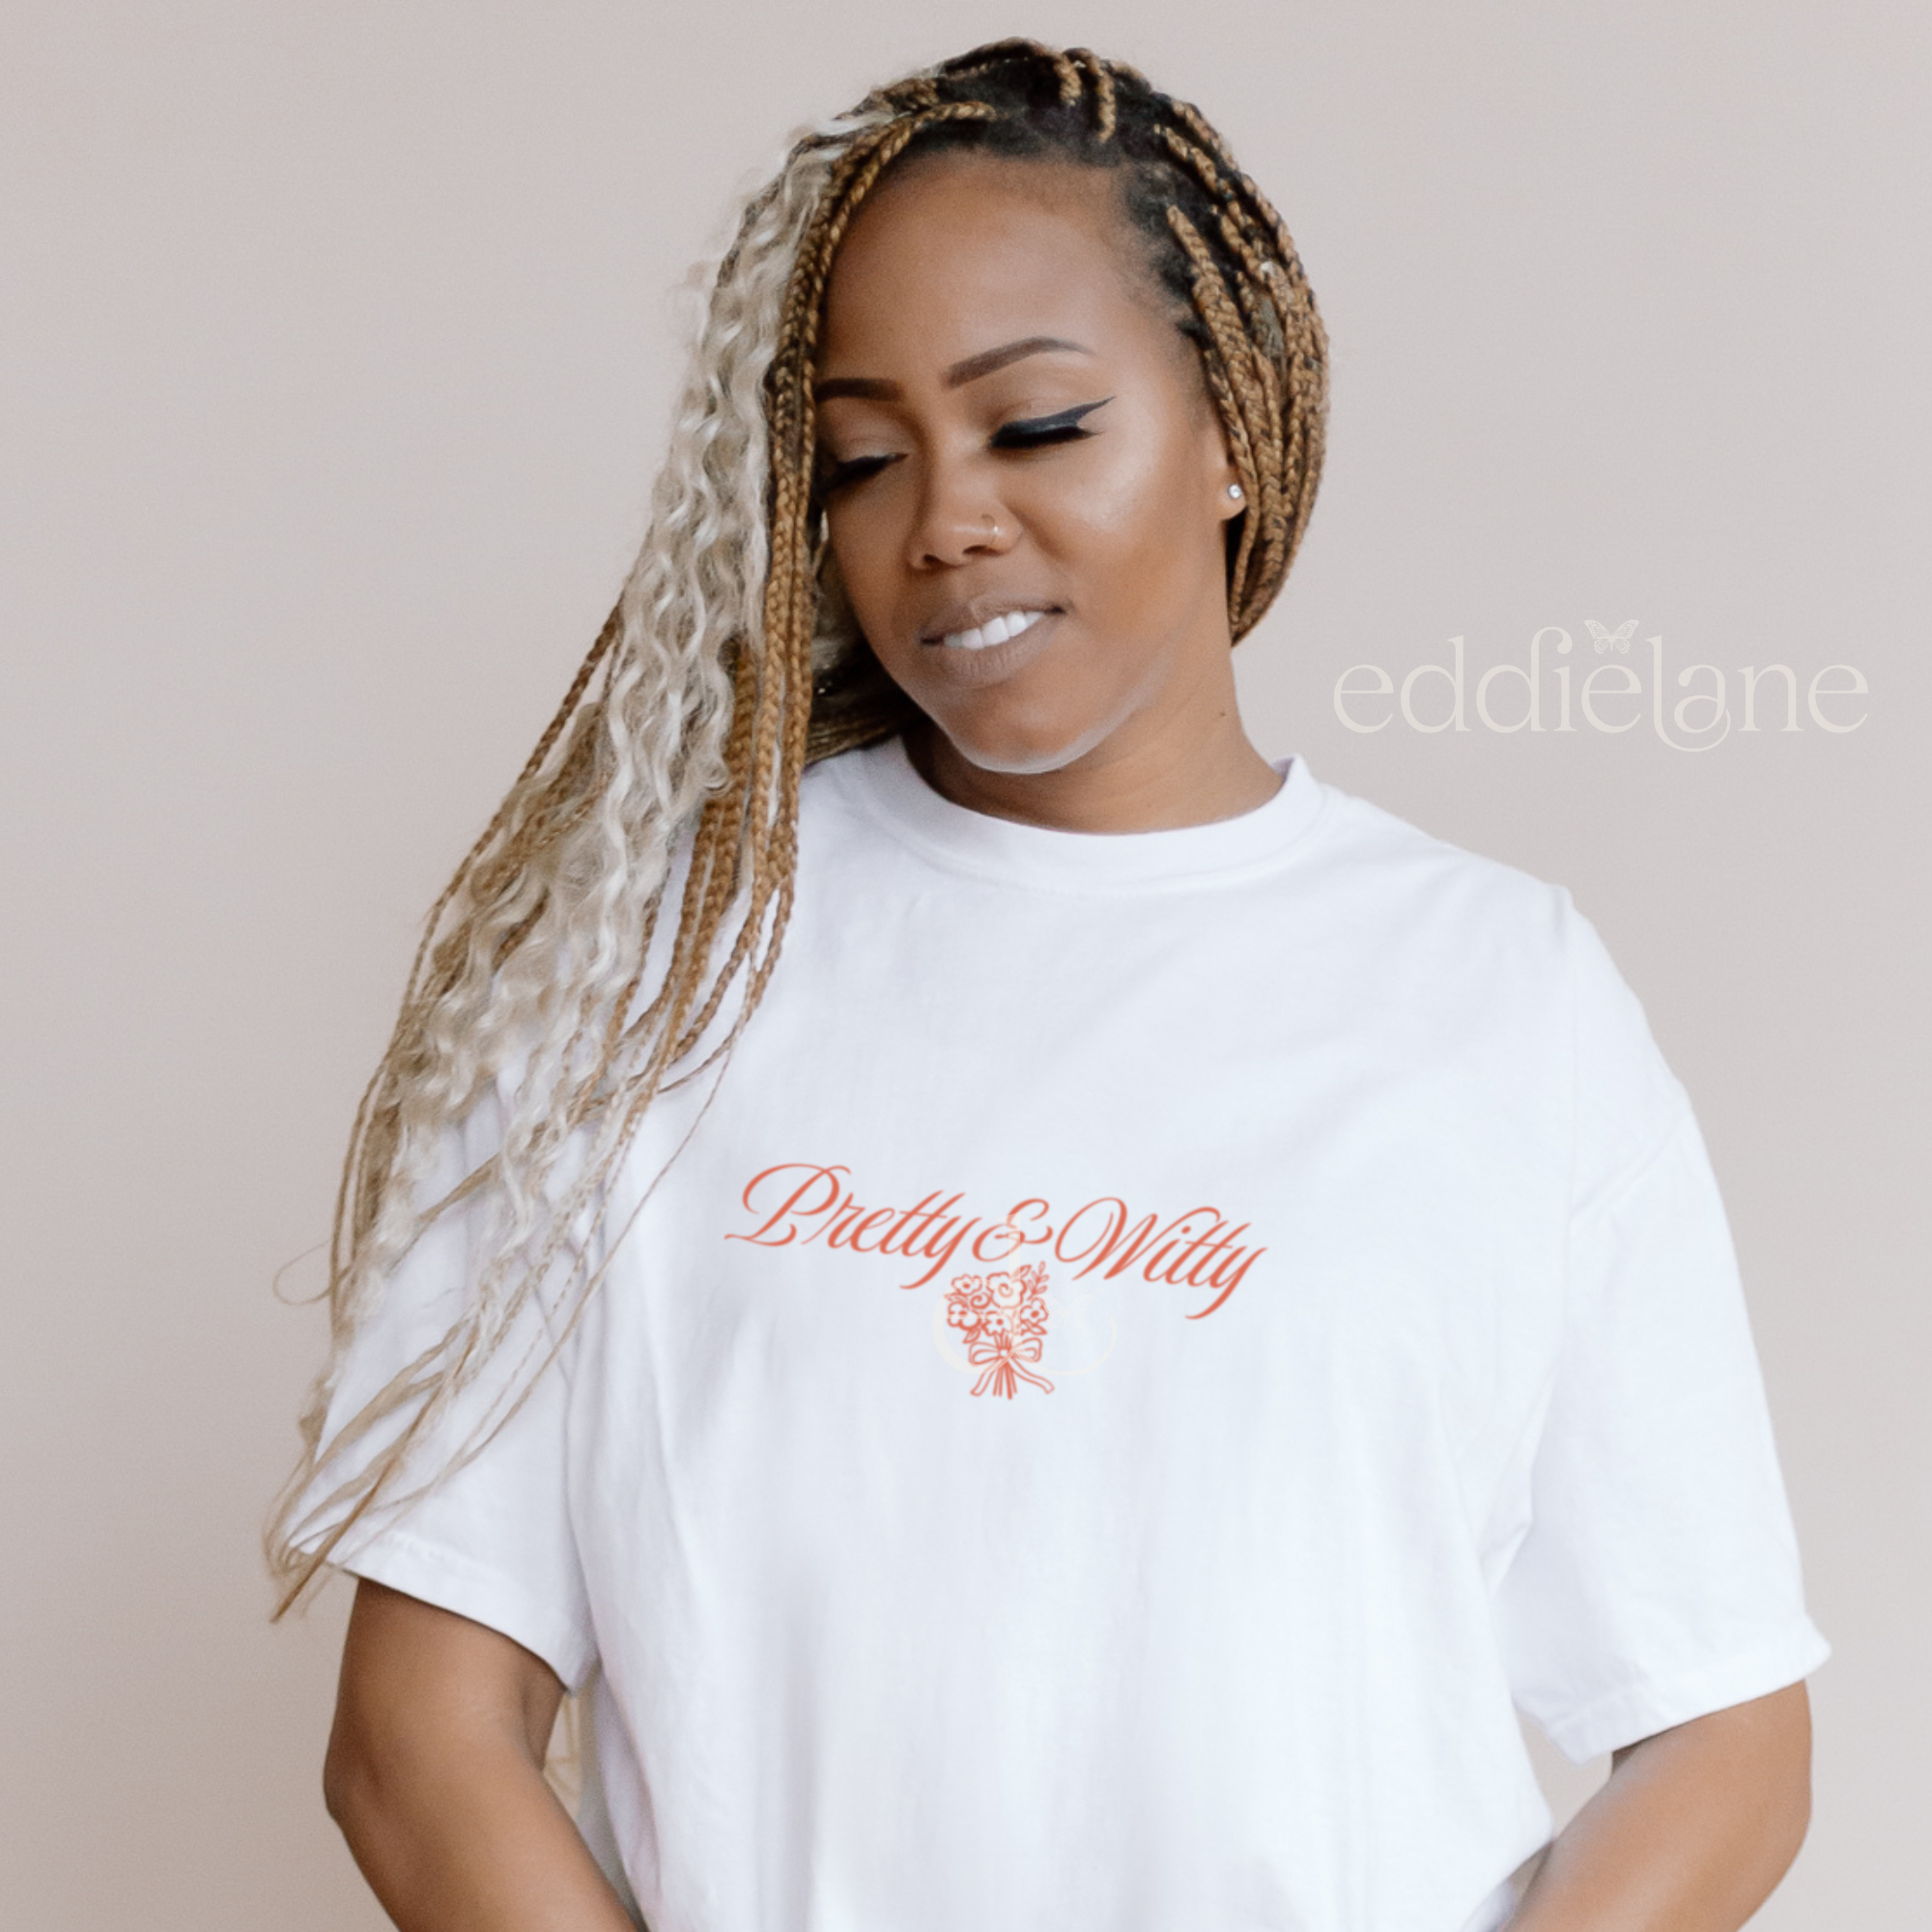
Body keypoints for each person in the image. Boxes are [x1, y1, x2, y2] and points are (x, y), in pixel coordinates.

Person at [272, 40, 1828, 1932]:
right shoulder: (645, 972)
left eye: (1035, 427)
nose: (943, 519)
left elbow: (1725, 1732)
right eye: (862, 457)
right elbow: (415, 1743)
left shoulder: (1499, 993)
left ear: (1232, 429)